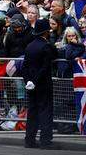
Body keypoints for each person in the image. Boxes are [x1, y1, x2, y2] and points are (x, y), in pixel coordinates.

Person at [23, 19, 56, 149]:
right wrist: (35, 81)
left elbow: (24, 67)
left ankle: (29, 140)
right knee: (45, 112)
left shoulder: (29, 46)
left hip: (31, 85)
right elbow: (45, 67)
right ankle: (45, 141)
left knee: (32, 112)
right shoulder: (46, 46)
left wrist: (29, 81)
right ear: (46, 32)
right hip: (43, 84)